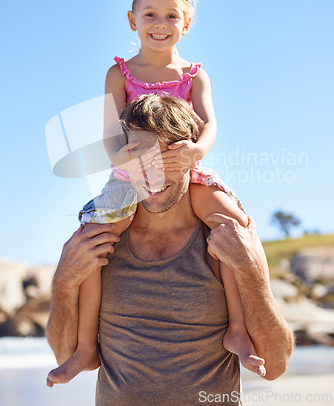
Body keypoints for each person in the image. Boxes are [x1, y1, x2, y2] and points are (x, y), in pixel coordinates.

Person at [47, 0, 276, 386]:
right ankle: (84, 347)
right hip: (129, 169)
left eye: (172, 15)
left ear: (186, 24)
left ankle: (238, 330)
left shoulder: (193, 75)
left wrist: (196, 152)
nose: (160, 22)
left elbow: (208, 124)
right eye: (150, 13)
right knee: (95, 237)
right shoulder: (119, 73)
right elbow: (109, 136)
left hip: (182, 167)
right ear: (131, 19)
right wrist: (131, 162)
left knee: (230, 223)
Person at [46, 94, 294, 405]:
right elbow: (64, 354)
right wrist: (64, 283)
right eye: (142, 157)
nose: (154, 173)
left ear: (191, 156)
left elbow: (274, 366)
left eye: (167, 157)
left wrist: (249, 270)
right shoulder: (99, 238)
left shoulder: (228, 236)